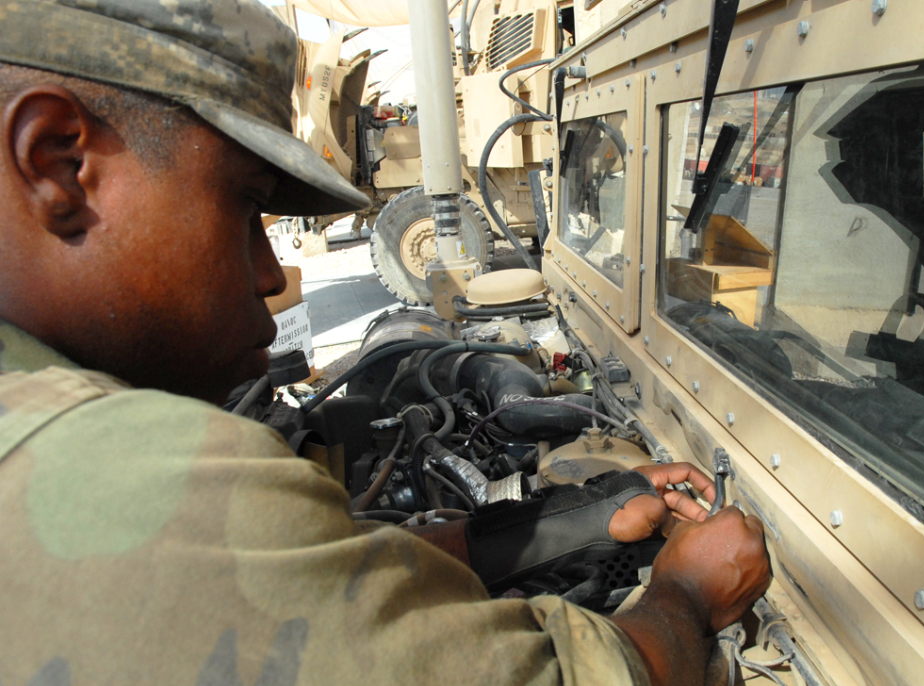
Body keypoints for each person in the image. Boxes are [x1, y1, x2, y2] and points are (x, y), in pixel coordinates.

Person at [0, 2, 771, 685]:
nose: (272, 275)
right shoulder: (119, 469)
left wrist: (583, 517)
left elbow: (340, 578)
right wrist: (686, 598)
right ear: (58, 162)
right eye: (248, 209)